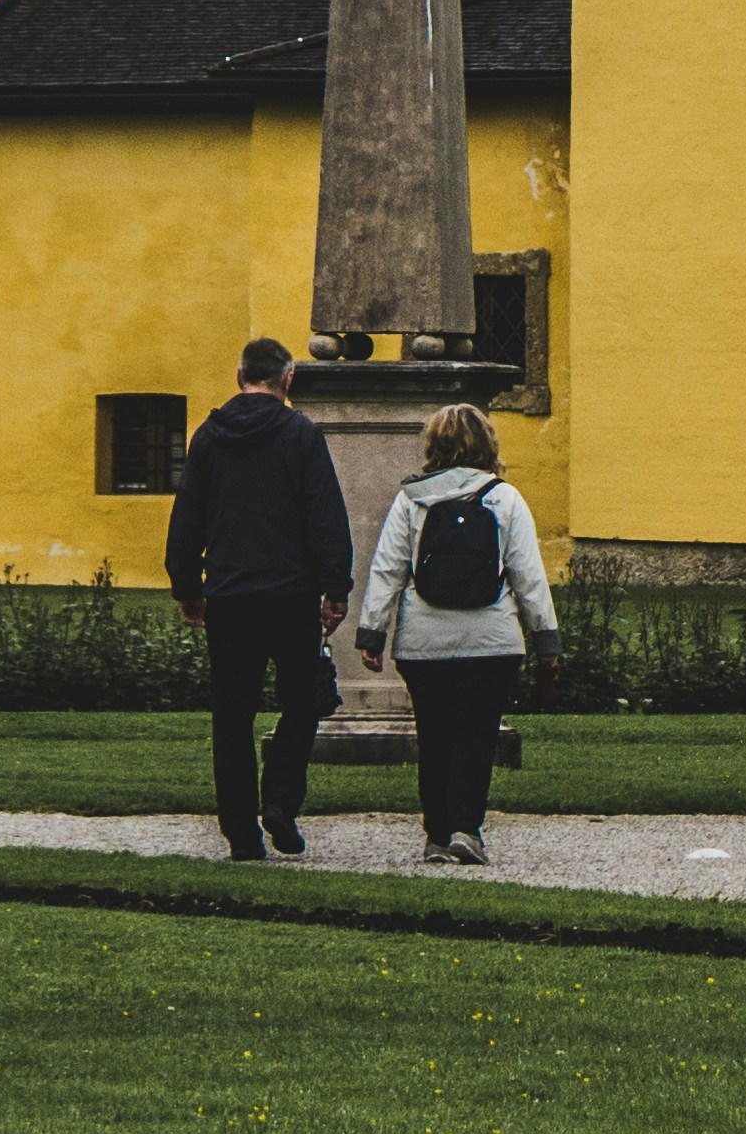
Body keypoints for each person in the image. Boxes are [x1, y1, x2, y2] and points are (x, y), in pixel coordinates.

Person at [163, 335, 350, 859]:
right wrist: (336, 587)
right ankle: (281, 802)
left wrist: (187, 587)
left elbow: (188, 518)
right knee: (301, 704)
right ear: (288, 379)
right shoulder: (301, 434)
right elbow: (325, 515)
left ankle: (241, 833)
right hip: (291, 594)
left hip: (230, 595)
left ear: (239, 376)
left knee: (232, 716)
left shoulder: (208, 438)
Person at [354, 401, 554, 863]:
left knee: (435, 737)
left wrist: (372, 634)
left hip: (424, 642)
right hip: (491, 639)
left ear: (434, 444)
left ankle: (436, 835)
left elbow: (388, 570)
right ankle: (467, 828)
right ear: (487, 443)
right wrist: (546, 639)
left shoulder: (411, 500)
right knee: (476, 735)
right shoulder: (505, 498)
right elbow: (528, 576)